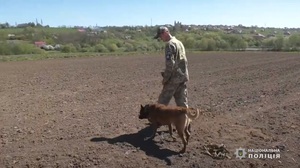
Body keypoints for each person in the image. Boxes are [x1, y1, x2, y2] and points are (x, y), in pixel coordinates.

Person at [154, 26, 189, 108]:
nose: (161, 38)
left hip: (174, 78)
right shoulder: (179, 42)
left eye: (160, 36)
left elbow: (170, 64)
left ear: (165, 32)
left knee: (162, 101)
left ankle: (158, 119)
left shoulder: (170, 45)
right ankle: (185, 118)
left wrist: (165, 79)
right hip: (182, 76)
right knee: (182, 102)